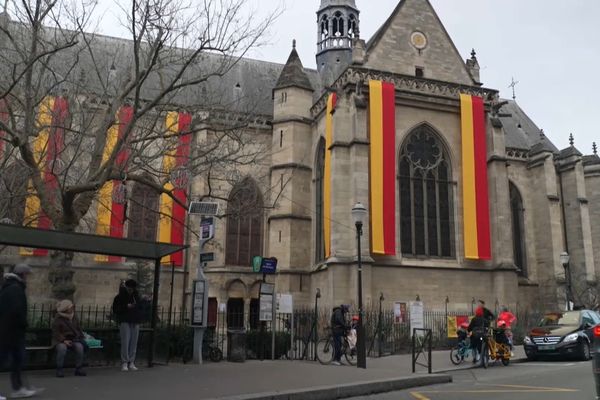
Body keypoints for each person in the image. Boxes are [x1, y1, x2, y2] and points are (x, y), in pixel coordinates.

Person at [0, 264, 39, 398]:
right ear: (22, 275)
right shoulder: (15, 289)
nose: (28, 278)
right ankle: (18, 388)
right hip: (10, 332)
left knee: (18, 360)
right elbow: (16, 312)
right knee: (6, 360)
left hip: (12, 332)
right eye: (27, 275)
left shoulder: (11, 287)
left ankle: (18, 388)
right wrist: (24, 323)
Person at [112, 279, 142, 372]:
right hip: (125, 320)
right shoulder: (119, 297)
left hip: (135, 321)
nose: (131, 291)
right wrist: (126, 307)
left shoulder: (136, 296)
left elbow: (140, 308)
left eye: (132, 289)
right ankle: (124, 362)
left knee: (134, 342)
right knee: (125, 342)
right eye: (129, 289)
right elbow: (115, 309)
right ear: (126, 287)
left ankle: (131, 362)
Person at [52, 300, 87, 378]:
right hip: (61, 339)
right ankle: (59, 369)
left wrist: (80, 337)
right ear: (66, 309)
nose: (72, 308)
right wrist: (64, 340)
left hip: (73, 339)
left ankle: (78, 368)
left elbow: (78, 328)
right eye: (71, 307)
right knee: (62, 348)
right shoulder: (58, 318)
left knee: (79, 347)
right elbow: (56, 332)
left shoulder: (74, 316)